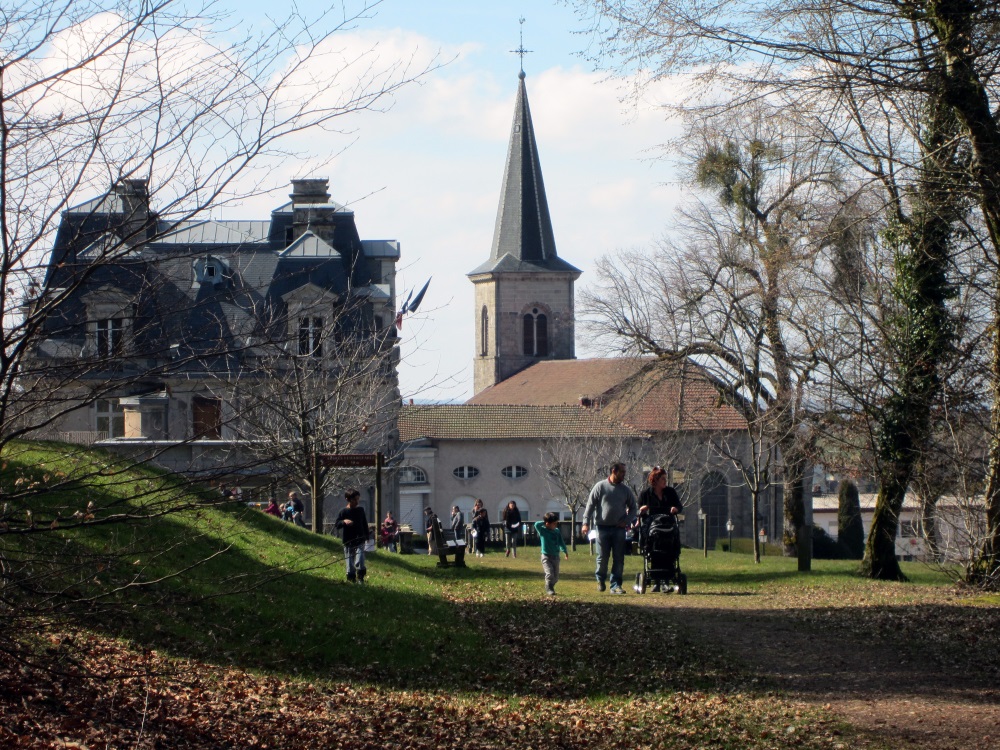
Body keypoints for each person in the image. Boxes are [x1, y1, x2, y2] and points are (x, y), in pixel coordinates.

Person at [581, 462, 637, 595]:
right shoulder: (600, 487)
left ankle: (616, 585)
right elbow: (590, 506)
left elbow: (634, 508)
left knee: (619, 558)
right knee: (602, 557)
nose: (624, 474)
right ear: (613, 471)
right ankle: (600, 579)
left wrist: (626, 521)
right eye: (622, 472)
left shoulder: (625, 490)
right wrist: (585, 523)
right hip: (602, 528)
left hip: (619, 529)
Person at [637, 467, 682, 591]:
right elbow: (638, 510)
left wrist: (675, 509)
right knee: (653, 544)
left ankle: (666, 580)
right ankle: (656, 580)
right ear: (655, 480)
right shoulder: (645, 494)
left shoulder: (670, 492)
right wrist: (642, 510)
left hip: (667, 524)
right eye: (662, 479)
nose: (665, 481)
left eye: (665, 479)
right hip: (652, 525)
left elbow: (679, 506)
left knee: (669, 544)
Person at [334, 489, 369, 583]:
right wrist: (344, 521)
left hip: (360, 538)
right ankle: (351, 578)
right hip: (348, 540)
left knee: (360, 559)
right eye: (354, 500)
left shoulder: (360, 510)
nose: (357, 502)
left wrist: (367, 536)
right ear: (348, 499)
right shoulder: (343, 512)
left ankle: (360, 577)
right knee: (349, 561)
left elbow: (364, 523)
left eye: (358, 499)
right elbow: (337, 524)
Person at [534, 512, 569, 595]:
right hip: (546, 556)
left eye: (556, 523)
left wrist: (565, 550)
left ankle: (551, 585)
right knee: (549, 573)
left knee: (556, 577)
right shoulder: (542, 530)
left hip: (556, 556)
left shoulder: (556, 531)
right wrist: (545, 521)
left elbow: (561, 541)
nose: (555, 525)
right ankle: (549, 587)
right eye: (554, 523)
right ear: (547, 524)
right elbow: (536, 525)